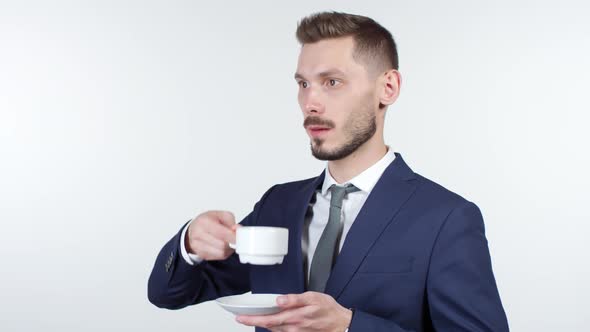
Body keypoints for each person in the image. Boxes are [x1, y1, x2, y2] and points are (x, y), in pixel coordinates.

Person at [148, 11, 509, 332]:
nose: (310, 102)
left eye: (331, 82)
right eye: (303, 83)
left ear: (388, 87)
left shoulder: (446, 218)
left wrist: (352, 326)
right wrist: (190, 244)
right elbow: (170, 294)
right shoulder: (278, 203)